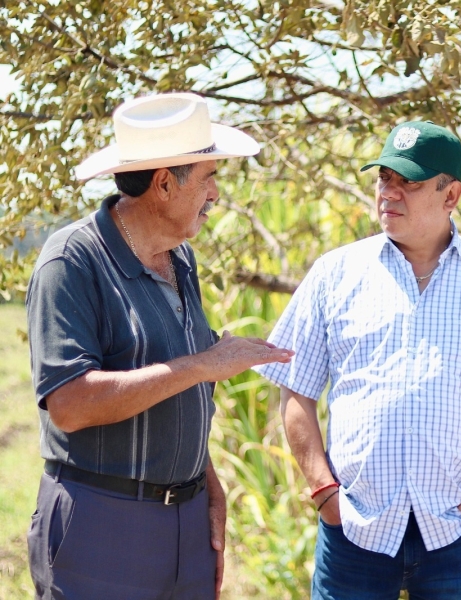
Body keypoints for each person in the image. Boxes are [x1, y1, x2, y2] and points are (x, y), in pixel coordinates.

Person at [254, 120, 461, 599]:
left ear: (451, 194)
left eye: (409, 183)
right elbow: (295, 388)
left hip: (456, 532)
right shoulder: (335, 273)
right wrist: (324, 493)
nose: (389, 193)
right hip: (354, 529)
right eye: (384, 178)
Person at [26, 92, 294, 599]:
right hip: (100, 528)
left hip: (187, 524)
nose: (216, 194)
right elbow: (69, 404)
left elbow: (179, 389)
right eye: (209, 177)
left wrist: (207, 483)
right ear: (165, 183)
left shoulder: (181, 258)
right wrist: (204, 365)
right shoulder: (71, 262)